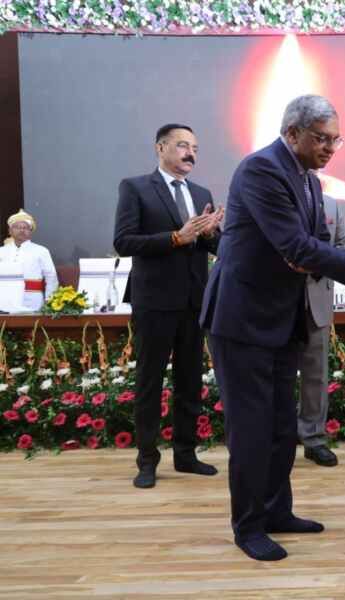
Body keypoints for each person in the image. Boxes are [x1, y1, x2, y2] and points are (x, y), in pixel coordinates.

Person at [200, 94, 345, 562]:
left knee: (283, 427)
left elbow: (310, 246)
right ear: (292, 132)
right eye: (322, 139)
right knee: (252, 429)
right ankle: (248, 527)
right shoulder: (261, 170)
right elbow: (297, 248)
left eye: (336, 140)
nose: (330, 148)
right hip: (242, 320)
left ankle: (277, 511)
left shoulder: (310, 180)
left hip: (284, 318)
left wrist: (308, 257)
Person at [113, 123, 224, 489]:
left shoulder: (201, 192)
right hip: (154, 302)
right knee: (150, 382)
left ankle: (186, 455)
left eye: (195, 147)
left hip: (194, 301)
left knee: (189, 381)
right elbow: (124, 241)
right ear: (160, 148)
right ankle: (147, 461)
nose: (190, 153)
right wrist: (176, 237)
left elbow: (213, 247)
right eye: (182, 145)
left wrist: (211, 234)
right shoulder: (136, 188)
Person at [298, 193, 345, 467]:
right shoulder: (279, 195)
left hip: (318, 299)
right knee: (275, 374)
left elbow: (344, 245)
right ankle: (276, 438)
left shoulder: (331, 202)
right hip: (279, 300)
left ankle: (314, 439)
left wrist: (342, 259)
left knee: (316, 374)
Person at [0, 210, 58, 311]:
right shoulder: (2, 251)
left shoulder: (41, 251)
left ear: (31, 231)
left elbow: (51, 277)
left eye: (25, 228)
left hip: (32, 302)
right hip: (4, 301)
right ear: (10, 231)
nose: (21, 230)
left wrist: (49, 301)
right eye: (17, 227)